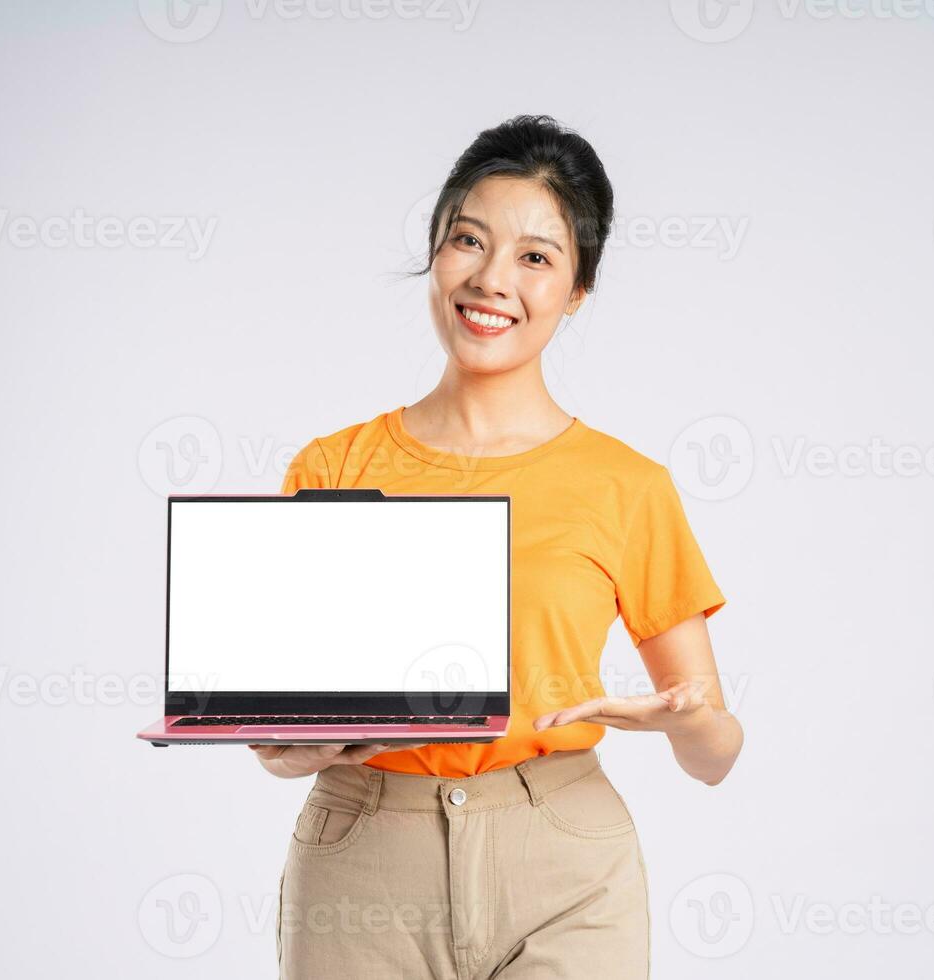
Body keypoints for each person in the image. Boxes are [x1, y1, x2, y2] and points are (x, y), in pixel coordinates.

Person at [251, 113, 743, 979]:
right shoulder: (331, 468)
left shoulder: (627, 485)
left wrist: (682, 718)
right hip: (363, 853)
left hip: (564, 860)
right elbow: (276, 749)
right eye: (467, 241)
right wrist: (316, 745)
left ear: (578, 289)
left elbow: (716, 754)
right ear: (436, 248)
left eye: (536, 257)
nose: (490, 280)